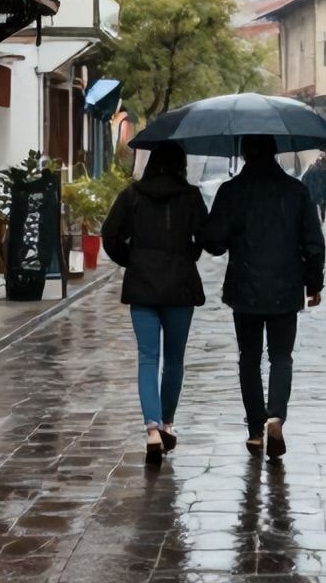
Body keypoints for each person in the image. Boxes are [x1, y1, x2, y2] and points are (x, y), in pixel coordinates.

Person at [201, 135, 324, 460]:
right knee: (281, 357)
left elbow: (213, 241)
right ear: (275, 152)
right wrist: (313, 285)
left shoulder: (231, 191)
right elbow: (313, 243)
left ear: (244, 154)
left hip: (245, 290)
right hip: (285, 288)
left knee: (249, 359)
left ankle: (256, 430)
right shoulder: (296, 191)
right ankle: (275, 417)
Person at [100, 141, 208, 466]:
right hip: (179, 289)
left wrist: (130, 259)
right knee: (174, 360)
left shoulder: (131, 196)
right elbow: (204, 236)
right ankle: (168, 423)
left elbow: (109, 235)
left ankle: (151, 428)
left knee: (148, 357)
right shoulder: (190, 197)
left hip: (143, 287)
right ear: (181, 164)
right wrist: (189, 255)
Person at [302, 153, 326, 222]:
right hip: (322, 194)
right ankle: (321, 218)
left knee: (314, 207)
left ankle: (317, 219)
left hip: (313, 193)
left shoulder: (310, 171)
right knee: (321, 206)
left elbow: (304, 180)